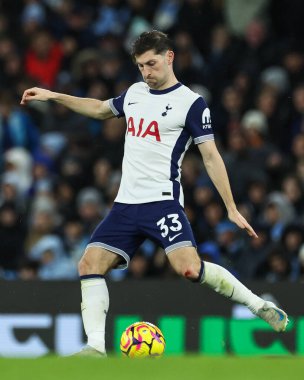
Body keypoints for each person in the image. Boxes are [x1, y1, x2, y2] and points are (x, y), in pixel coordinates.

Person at [21, 30, 288, 357]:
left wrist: (230, 207)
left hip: (163, 203)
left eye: (152, 63)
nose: (146, 72)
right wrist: (53, 95)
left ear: (169, 57)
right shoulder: (135, 92)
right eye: (140, 66)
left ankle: (259, 306)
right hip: (125, 205)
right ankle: (95, 348)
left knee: (190, 270)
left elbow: (211, 156)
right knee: (89, 263)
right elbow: (100, 109)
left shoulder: (191, 103)